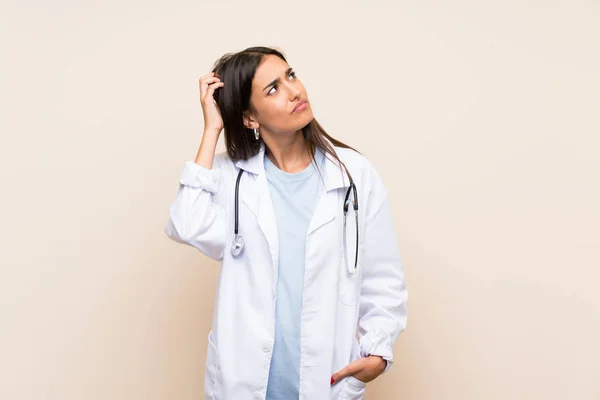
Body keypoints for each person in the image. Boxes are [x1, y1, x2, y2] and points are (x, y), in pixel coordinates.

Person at [164, 46, 407, 400]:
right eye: (273, 89)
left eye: (290, 75)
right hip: (245, 382)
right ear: (250, 117)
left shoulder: (354, 174)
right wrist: (212, 128)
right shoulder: (230, 177)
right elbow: (186, 223)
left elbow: (383, 275)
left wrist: (378, 353)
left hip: (326, 379)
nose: (294, 91)